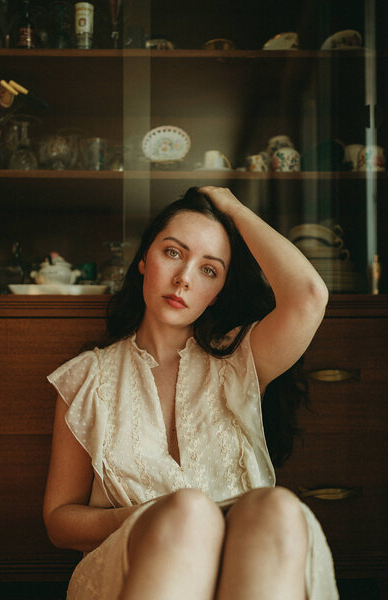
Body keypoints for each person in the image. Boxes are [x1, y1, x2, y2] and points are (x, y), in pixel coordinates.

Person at [43, 186, 339, 600]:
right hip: (133, 560)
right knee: (188, 512)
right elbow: (59, 520)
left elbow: (309, 295)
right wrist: (145, 516)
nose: (184, 278)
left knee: (279, 508)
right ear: (144, 260)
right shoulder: (87, 377)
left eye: (209, 269)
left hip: (244, 563)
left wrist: (232, 207)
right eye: (174, 252)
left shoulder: (241, 357)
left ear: (219, 290)